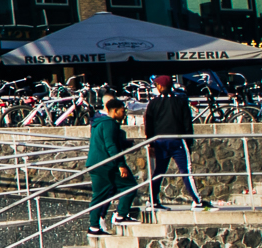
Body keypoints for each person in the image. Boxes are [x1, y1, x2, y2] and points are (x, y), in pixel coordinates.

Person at [141, 74, 205, 209]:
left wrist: (150, 143)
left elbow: (149, 124)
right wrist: (189, 141)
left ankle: (152, 200)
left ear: (160, 86)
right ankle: (197, 201)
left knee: (159, 171)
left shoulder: (153, 103)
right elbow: (187, 122)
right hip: (177, 139)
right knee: (186, 171)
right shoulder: (180, 101)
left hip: (159, 141)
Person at [85, 96, 137, 235]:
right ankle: (120, 215)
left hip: (95, 164)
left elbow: (105, 141)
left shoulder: (97, 123)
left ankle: (94, 227)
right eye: (122, 111)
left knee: (99, 195)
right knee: (130, 186)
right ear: (115, 110)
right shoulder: (110, 123)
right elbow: (110, 145)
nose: (124, 114)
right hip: (107, 164)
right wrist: (121, 164)